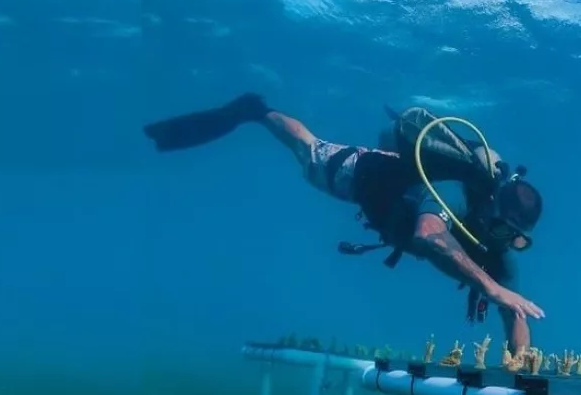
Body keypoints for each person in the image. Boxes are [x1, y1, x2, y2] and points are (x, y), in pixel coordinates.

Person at [142, 93, 545, 355]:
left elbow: (515, 312)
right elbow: (429, 235)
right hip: (370, 178)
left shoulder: (500, 249)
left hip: (393, 211)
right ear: (489, 204)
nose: (505, 241)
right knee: (308, 152)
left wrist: (519, 363)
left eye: (515, 238)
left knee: (506, 291)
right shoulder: (453, 194)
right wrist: (490, 288)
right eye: (502, 228)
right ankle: (255, 110)